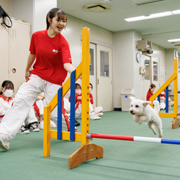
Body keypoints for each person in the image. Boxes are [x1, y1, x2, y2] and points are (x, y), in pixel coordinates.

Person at [0, 7, 76, 151]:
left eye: (64, 21)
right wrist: (26, 69)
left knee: (55, 113)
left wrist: (77, 72)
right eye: (58, 20)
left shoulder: (63, 42)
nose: (62, 24)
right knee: (21, 100)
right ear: (49, 19)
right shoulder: (37, 36)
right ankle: (3, 135)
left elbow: (67, 64)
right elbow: (32, 54)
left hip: (55, 80)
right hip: (38, 75)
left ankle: (70, 130)